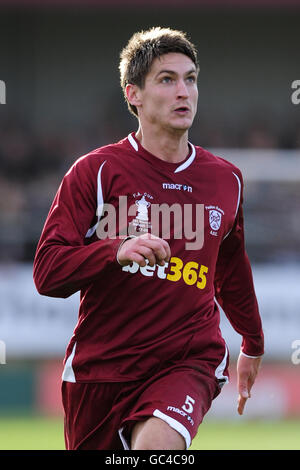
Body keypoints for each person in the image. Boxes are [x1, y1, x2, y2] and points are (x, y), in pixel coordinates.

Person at [33, 27, 264, 450]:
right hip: (100, 369)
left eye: (190, 79)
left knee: (157, 449)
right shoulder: (95, 172)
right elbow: (48, 273)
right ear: (133, 94)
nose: (184, 91)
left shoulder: (226, 179)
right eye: (167, 79)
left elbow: (229, 264)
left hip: (187, 359)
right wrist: (114, 251)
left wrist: (253, 341)